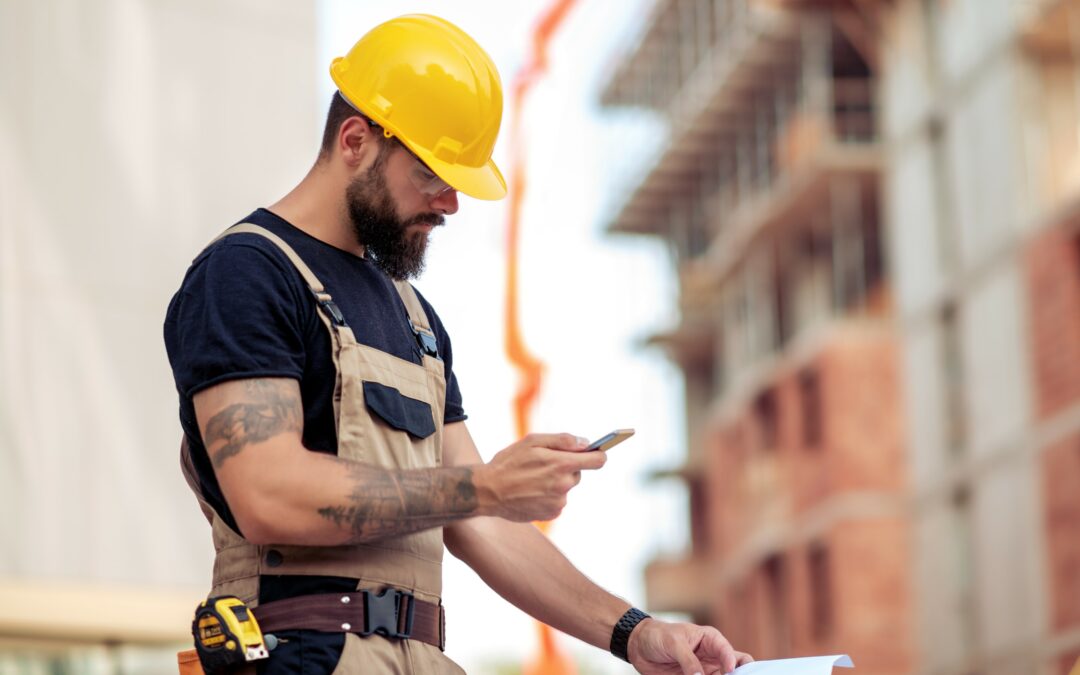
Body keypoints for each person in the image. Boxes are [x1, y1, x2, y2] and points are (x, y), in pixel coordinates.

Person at [164, 14, 753, 675]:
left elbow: (480, 522)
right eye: (430, 174)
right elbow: (267, 492)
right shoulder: (248, 274)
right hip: (299, 656)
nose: (450, 203)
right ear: (355, 141)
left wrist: (634, 631)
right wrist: (485, 485)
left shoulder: (416, 318)